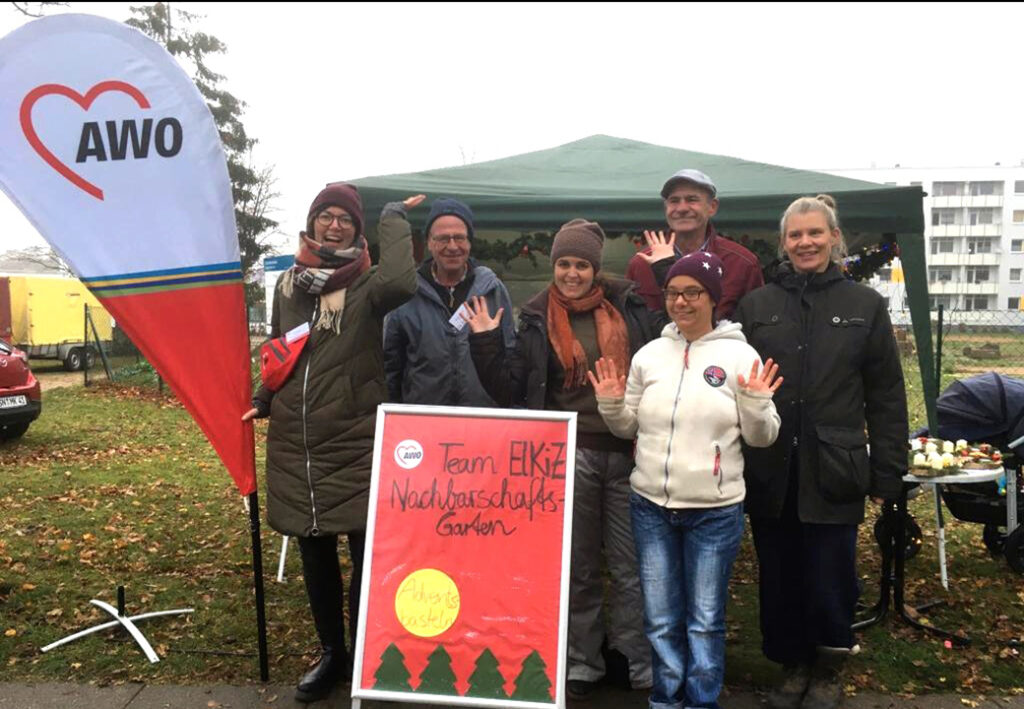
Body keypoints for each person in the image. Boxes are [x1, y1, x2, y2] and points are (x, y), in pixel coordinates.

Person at [462, 219, 668, 699]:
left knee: (630, 566)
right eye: (564, 264)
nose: (572, 273)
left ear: (596, 269)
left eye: (581, 265)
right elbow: (510, 388)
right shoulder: (537, 317)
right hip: (567, 455)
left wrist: (666, 272)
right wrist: (486, 342)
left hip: (629, 453)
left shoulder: (629, 307)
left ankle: (636, 660)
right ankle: (582, 661)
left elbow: (674, 333)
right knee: (578, 566)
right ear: (553, 266)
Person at [243, 184, 421, 703]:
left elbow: (402, 281)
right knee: (314, 552)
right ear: (312, 222)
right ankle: (331, 654)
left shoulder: (368, 285)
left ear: (357, 228)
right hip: (297, 440)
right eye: (327, 216)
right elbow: (280, 349)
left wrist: (393, 219)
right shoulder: (289, 285)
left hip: (356, 437)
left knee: (365, 553)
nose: (335, 225)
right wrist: (263, 397)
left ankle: (366, 652)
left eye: (345, 218)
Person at [732, 195, 908, 709]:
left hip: (836, 466)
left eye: (815, 233)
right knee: (779, 572)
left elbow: (886, 394)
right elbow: (735, 390)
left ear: (834, 237)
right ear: (783, 242)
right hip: (772, 467)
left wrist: (888, 472)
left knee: (831, 575)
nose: (805, 242)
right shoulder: (757, 307)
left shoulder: (864, 305)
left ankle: (829, 665)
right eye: (795, 235)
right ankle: (792, 663)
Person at [590, 251, 782, 709]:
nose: (681, 302)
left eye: (693, 292)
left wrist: (757, 405)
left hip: (714, 511)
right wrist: (612, 404)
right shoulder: (650, 356)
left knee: (705, 619)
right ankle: (665, 698)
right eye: (674, 292)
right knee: (660, 618)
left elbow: (762, 437)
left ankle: (700, 701)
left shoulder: (740, 355)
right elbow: (628, 428)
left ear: (712, 298)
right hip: (650, 507)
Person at [383, 197, 515, 406]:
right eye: (443, 238)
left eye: (459, 238)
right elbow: (391, 365)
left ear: (470, 242)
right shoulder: (407, 293)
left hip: (482, 418)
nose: (452, 246)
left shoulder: (492, 290)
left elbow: (511, 355)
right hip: (423, 419)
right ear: (429, 243)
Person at [626, 168, 763, 318]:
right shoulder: (641, 264)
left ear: (712, 207)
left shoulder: (742, 263)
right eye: (674, 201)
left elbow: (755, 323)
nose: (682, 208)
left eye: (692, 199)